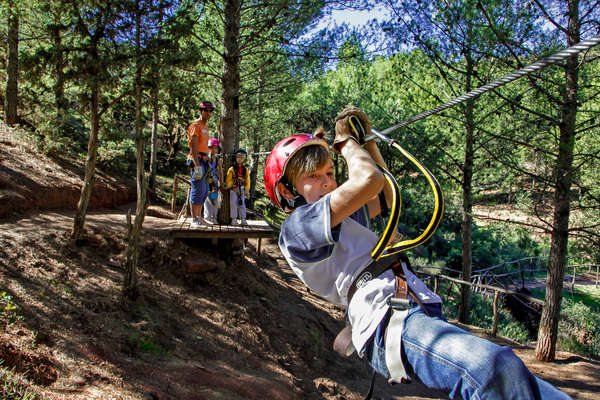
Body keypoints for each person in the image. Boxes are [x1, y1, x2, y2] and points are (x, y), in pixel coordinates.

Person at [263, 106, 571, 400]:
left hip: (408, 303)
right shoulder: (297, 228)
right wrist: (345, 142)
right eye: (314, 176)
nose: (328, 181)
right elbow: (368, 181)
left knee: (527, 384)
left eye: (329, 172)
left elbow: (384, 193)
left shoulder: (341, 217)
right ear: (288, 192)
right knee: (493, 369)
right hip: (383, 317)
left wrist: (367, 142)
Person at [187, 101, 214, 228]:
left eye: (210, 111)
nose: (208, 113)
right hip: (196, 160)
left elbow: (204, 146)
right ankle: (193, 219)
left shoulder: (206, 127)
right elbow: (193, 146)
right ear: (201, 111)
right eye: (206, 110)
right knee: (197, 189)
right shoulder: (195, 125)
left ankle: (199, 217)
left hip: (204, 160)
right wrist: (197, 165)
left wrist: (207, 158)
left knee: (204, 190)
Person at [225, 148, 250, 225]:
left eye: (242, 157)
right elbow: (228, 179)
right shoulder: (231, 169)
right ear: (235, 158)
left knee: (242, 204)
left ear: (244, 159)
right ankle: (234, 219)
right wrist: (228, 185)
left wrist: (247, 191)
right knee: (233, 204)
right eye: (238, 157)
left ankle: (243, 219)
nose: (240, 159)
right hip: (233, 189)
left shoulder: (245, 170)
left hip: (242, 189)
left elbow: (247, 180)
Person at [203, 137, 223, 224]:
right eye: (212, 148)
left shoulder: (218, 160)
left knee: (214, 199)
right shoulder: (205, 158)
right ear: (209, 148)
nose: (214, 150)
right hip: (206, 180)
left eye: (216, 148)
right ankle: (207, 217)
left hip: (214, 182)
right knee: (207, 199)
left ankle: (214, 217)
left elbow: (221, 172)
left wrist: (221, 182)